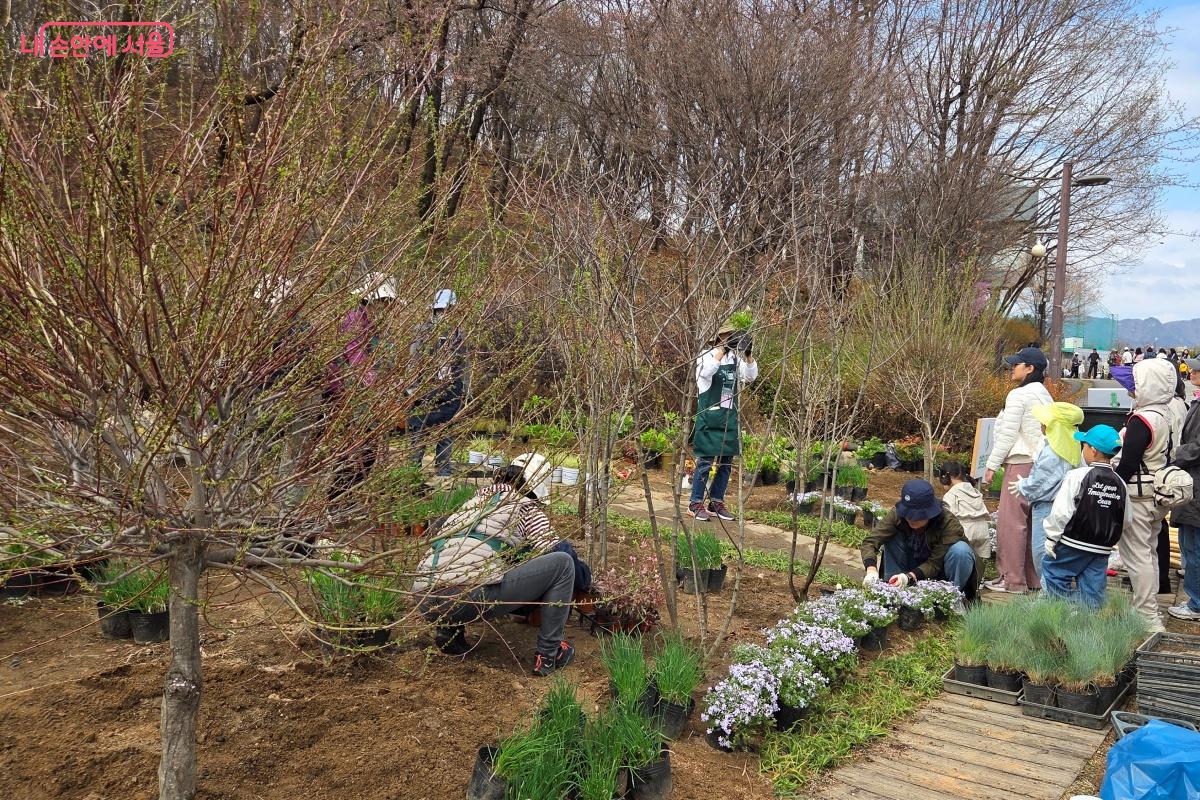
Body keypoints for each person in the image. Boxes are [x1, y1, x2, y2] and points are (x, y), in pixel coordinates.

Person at [413, 453, 589, 675]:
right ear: (533, 489)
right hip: (467, 598)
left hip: (424, 598)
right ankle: (550, 654)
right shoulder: (524, 506)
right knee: (563, 564)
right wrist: (585, 578)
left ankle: (449, 634)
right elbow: (556, 550)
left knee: (466, 561)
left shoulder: (471, 504)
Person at [1112, 357, 1186, 631]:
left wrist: (1113, 487)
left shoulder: (1141, 420)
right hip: (1157, 493)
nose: (1132, 388)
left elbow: (1128, 463)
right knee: (1150, 552)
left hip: (1138, 495)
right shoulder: (1166, 413)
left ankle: (1146, 615)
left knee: (1137, 556)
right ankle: (1149, 608)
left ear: (1148, 385)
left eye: (1136, 383)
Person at [984, 347, 1053, 594]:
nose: (1012, 369)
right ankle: (1032, 578)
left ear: (1030, 368)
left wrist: (991, 465)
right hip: (1041, 464)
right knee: (1033, 523)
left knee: (1010, 523)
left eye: (1016, 365)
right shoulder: (1045, 395)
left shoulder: (1019, 395)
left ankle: (1011, 579)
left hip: (1020, 462)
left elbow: (1007, 434)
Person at [326, 273, 399, 503]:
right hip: (348, 394)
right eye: (386, 302)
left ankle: (344, 501)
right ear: (375, 300)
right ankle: (336, 501)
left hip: (361, 395)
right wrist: (378, 390)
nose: (388, 307)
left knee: (366, 452)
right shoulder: (354, 319)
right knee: (356, 451)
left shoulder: (369, 321)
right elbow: (357, 359)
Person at [1042, 425, 1130, 608]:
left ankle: (1064, 612)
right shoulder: (1121, 483)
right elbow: (1126, 519)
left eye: (1084, 445)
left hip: (1072, 542)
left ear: (1093, 450)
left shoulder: (1077, 476)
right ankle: (1089, 620)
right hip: (1102, 547)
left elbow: (1061, 512)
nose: (1083, 449)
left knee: (1055, 574)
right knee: (1093, 589)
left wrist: (1051, 538)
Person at [861, 479, 980, 601]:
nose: (911, 519)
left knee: (961, 550)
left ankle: (953, 597)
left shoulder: (949, 524)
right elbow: (870, 541)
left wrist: (909, 577)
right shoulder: (897, 515)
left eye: (917, 515)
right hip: (911, 564)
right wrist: (871, 570)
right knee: (890, 536)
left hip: (941, 572)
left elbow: (934, 564)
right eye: (908, 513)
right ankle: (894, 589)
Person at [688, 319, 758, 521]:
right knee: (705, 462)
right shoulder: (705, 356)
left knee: (726, 463)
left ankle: (716, 502)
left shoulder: (734, 360)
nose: (733, 339)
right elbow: (705, 373)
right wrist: (723, 350)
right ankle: (695, 503)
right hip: (709, 417)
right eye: (730, 336)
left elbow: (750, 377)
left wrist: (748, 355)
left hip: (728, 417)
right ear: (720, 337)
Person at [1014, 402, 1084, 579]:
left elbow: (1040, 484)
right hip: (1068, 508)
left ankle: (1049, 592)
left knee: (1043, 553)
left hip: (1047, 508)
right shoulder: (1073, 446)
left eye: (1045, 422)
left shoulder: (1053, 451)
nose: (1041, 425)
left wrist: (1023, 485)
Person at [407, 289, 467, 478]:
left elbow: (463, 364)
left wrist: (463, 388)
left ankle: (444, 471)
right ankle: (411, 473)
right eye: (440, 310)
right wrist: (412, 389)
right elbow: (414, 361)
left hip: (450, 389)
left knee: (446, 431)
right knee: (419, 432)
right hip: (425, 388)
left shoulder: (458, 334)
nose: (444, 314)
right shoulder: (423, 332)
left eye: (447, 310)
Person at [1168, 357, 1200, 622]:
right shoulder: (1196, 401)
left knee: (1193, 546)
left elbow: (1197, 447)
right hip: (1193, 481)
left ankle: (1196, 602)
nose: (1191, 372)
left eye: (1196, 369)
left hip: (1196, 485)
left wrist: (1174, 454)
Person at [939, 462, 992, 559]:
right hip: (982, 531)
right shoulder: (975, 491)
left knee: (960, 557)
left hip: (965, 532)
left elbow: (947, 517)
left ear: (947, 477)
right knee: (978, 561)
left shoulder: (951, 494)